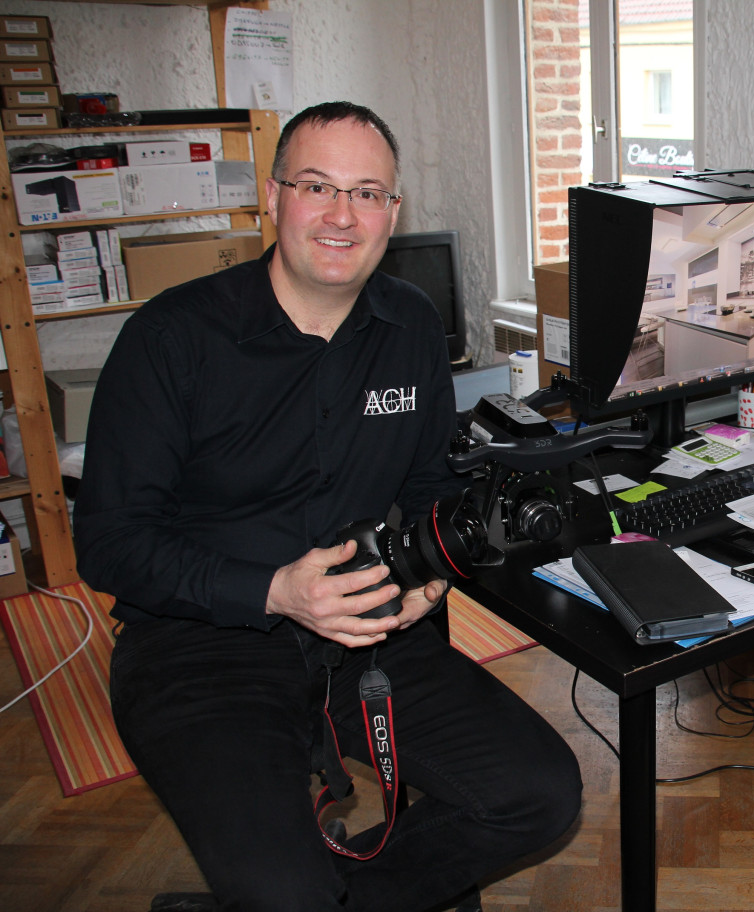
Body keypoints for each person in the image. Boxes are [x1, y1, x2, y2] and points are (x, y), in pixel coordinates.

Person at [75, 102, 581, 912]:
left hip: (365, 636)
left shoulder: (411, 325)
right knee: (283, 889)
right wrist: (275, 590)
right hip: (203, 648)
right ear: (273, 198)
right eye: (318, 186)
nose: (343, 215)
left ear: (393, 212)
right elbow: (107, 543)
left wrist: (433, 575)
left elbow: (428, 484)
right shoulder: (171, 338)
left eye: (368, 192)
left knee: (542, 795)